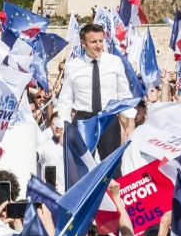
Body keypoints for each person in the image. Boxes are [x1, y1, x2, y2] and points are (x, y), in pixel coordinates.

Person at [57, 23, 134, 176]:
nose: (99, 45)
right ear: (83, 43)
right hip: (83, 121)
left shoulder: (114, 62)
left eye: (101, 41)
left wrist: (130, 122)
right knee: (82, 169)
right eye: (94, 42)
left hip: (108, 119)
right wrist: (64, 127)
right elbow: (65, 99)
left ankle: (115, 199)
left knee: (113, 168)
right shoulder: (73, 66)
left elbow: (124, 95)